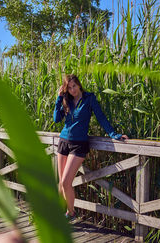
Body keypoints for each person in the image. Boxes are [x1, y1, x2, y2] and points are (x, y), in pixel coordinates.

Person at [53, 74, 128, 221]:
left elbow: (101, 118)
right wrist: (59, 98)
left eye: (74, 86)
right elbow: (56, 119)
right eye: (69, 87)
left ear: (79, 85)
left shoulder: (89, 99)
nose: (72, 89)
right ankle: (60, 215)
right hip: (63, 142)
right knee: (61, 183)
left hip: (78, 144)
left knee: (66, 182)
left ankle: (71, 213)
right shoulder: (66, 100)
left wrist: (113, 134)